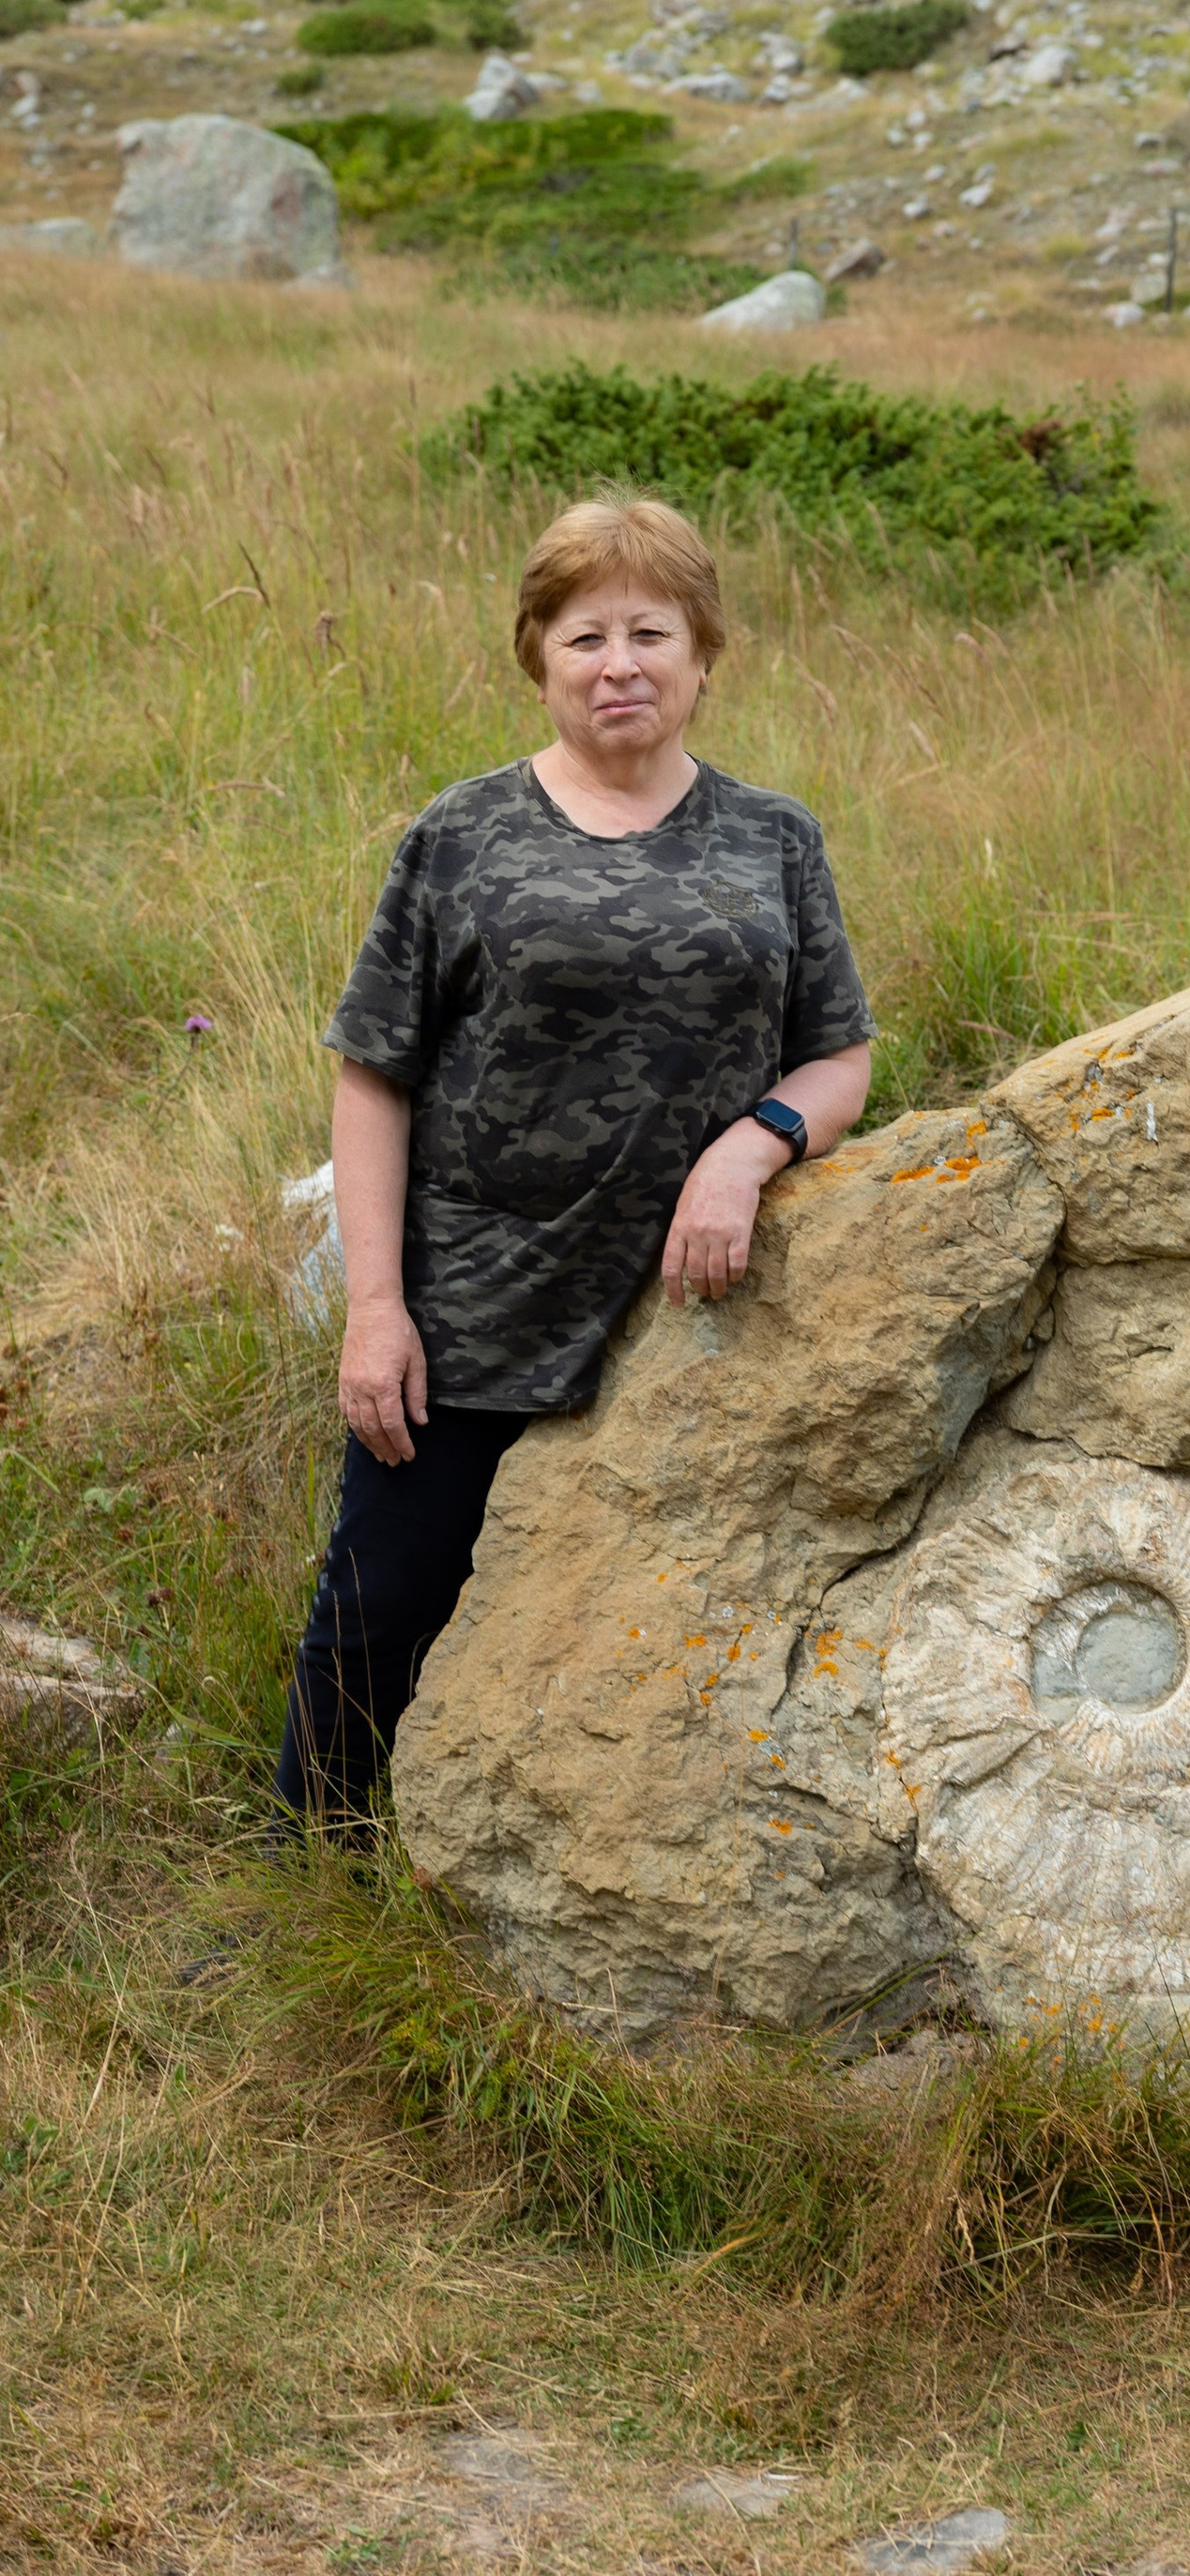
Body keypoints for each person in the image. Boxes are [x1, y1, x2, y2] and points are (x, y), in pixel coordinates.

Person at [273, 493, 874, 1829]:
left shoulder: (775, 839)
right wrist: (377, 1311)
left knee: (650, 1632)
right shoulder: (463, 835)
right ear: (538, 659)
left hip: (693, 1317)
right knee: (380, 1615)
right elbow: (375, 1073)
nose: (620, 664)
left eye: (651, 632)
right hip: (473, 1312)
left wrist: (750, 1149)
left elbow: (839, 1057)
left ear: (704, 653)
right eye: (584, 636)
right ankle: (307, 1871)